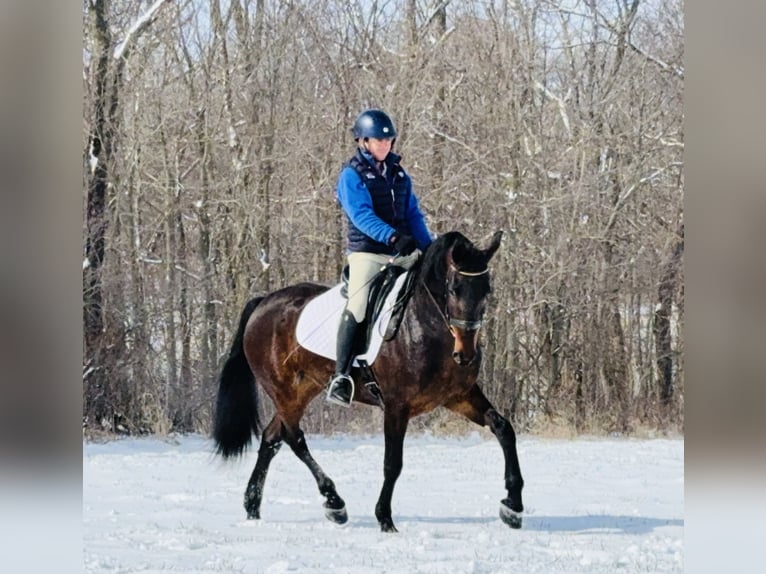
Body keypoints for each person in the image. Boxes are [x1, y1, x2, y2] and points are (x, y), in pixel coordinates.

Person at [326, 109, 433, 407]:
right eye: (378, 140)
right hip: (368, 254)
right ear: (363, 142)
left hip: (401, 252)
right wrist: (393, 236)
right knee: (359, 302)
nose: (385, 145)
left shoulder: (399, 175)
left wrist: (430, 248)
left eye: (389, 140)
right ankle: (342, 376)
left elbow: (413, 215)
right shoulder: (351, 175)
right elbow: (361, 215)